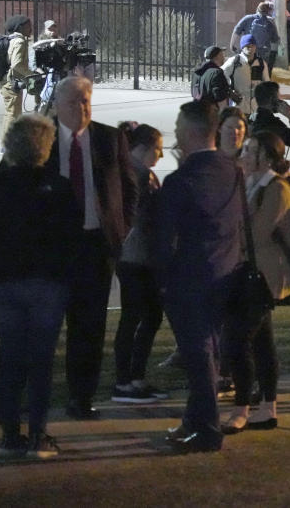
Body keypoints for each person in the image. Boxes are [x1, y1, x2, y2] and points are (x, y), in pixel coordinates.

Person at [0, 114, 82, 458]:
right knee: (41, 361)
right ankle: (38, 435)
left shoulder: (0, 184)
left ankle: (10, 434)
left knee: (12, 359)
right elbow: (69, 235)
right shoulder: (56, 186)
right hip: (45, 282)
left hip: (8, 281)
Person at [45, 77, 137, 420]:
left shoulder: (108, 139)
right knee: (43, 327)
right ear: (57, 105)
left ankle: (81, 399)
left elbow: (129, 188)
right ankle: (12, 401)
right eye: (73, 102)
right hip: (53, 251)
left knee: (90, 329)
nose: (81, 109)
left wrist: (121, 228)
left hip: (96, 248)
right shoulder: (43, 138)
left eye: (86, 101)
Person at [155, 100, 245, 453]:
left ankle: (207, 429)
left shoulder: (180, 181)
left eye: (178, 126)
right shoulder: (231, 169)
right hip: (225, 271)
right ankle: (194, 421)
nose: (174, 132)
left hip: (189, 279)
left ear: (191, 132)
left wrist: (162, 280)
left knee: (198, 355)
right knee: (209, 351)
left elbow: (164, 240)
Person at [223, 131, 290, 434]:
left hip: (263, 277)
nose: (243, 154)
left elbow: (258, 232)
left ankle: (242, 407)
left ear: (265, 156)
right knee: (262, 342)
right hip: (244, 273)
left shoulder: (276, 189)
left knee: (237, 341)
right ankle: (268, 407)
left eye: (250, 150)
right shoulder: (249, 184)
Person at [111, 124, 167, 404]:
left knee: (145, 315)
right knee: (138, 316)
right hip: (137, 256)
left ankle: (134, 377)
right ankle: (125, 380)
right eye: (159, 148)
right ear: (144, 147)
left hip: (133, 256)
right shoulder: (140, 175)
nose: (161, 154)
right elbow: (146, 218)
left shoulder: (133, 172)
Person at [0, 15, 35, 138]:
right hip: (12, 83)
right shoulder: (20, 41)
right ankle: (7, 145)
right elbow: (16, 65)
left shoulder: (11, 39)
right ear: (19, 27)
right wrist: (30, 74)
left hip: (6, 81)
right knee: (13, 114)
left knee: (10, 113)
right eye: (28, 26)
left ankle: (6, 144)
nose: (30, 28)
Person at [249, 81, 290, 150]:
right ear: (272, 99)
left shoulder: (252, 119)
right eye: (278, 98)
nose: (280, 100)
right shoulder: (272, 124)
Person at [221, 37, 270, 115]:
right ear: (242, 47)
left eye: (252, 45)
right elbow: (221, 76)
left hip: (256, 107)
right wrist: (229, 91)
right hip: (239, 106)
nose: (250, 48)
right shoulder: (234, 61)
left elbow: (267, 83)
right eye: (247, 46)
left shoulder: (261, 63)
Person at [232, 2, 281, 69]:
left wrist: (232, 45)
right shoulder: (270, 22)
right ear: (268, 11)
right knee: (262, 71)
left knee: (247, 70)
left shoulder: (247, 18)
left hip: (249, 49)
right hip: (264, 51)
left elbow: (236, 31)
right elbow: (275, 39)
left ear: (257, 9)